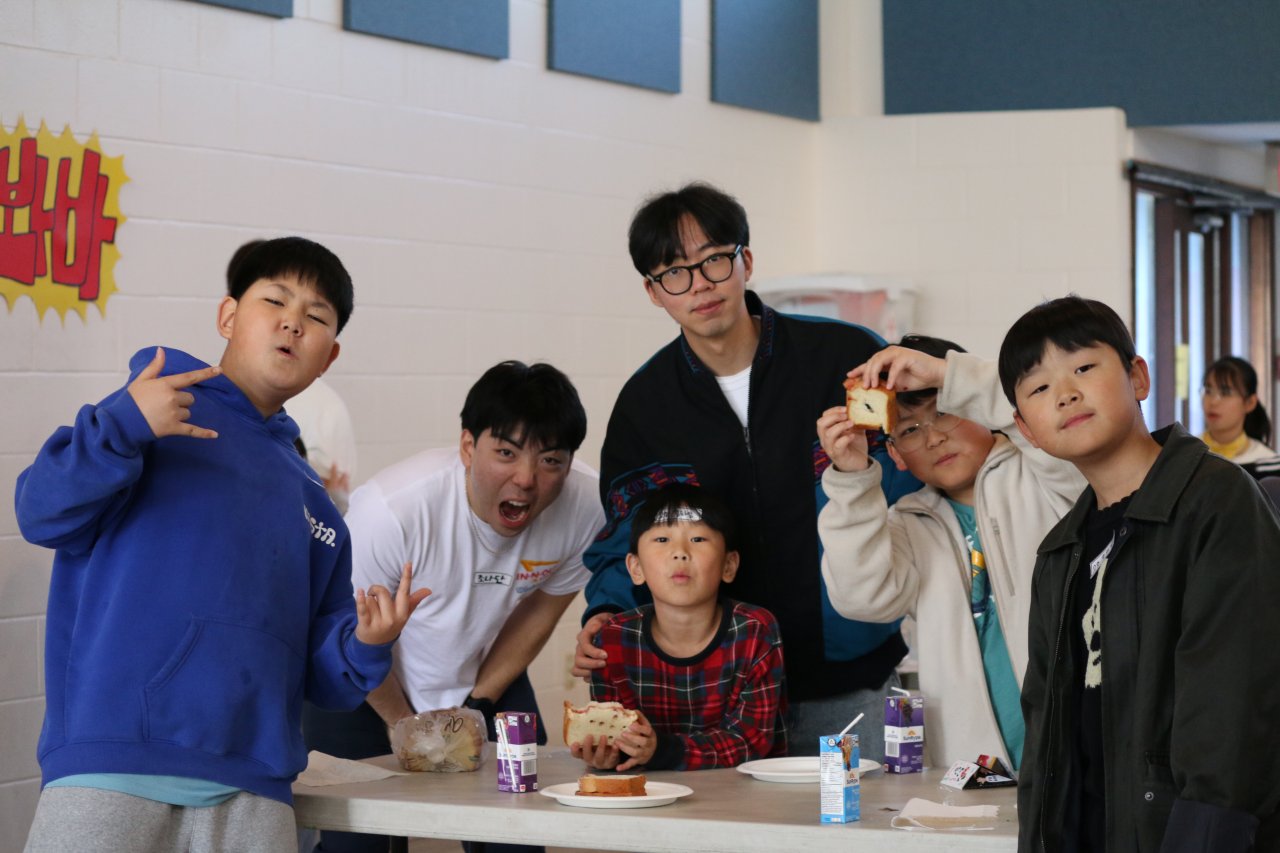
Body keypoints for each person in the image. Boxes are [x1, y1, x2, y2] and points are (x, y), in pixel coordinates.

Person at [16, 237, 428, 853]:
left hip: (253, 786)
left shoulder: (314, 503)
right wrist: (124, 424)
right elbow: (40, 513)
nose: (293, 322)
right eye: (275, 301)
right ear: (228, 317)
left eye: (316, 316)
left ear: (329, 356)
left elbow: (325, 677)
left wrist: (367, 644)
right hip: (114, 766)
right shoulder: (150, 414)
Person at [575, 183, 921, 759]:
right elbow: (628, 535)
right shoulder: (646, 405)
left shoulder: (844, 357)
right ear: (653, 291)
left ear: (746, 262)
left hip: (850, 679)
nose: (700, 284)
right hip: (713, 697)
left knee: (862, 817)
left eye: (714, 259)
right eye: (675, 272)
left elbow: (915, 487)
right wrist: (606, 610)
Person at [998, 296, 1280, 852]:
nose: (1065, 393)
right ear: (1026, 429)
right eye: (1039, 387)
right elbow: (1045, 735)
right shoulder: (1060, 551)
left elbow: (1233, 710)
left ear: (1138, 377)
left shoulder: (1216, 501)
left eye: (1084, 367)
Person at [303, 361, 603, 853]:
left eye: (551, 460)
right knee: (358, 845)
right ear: (467, 446)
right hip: (362, 674)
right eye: (506, 453)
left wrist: (478, 704)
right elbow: (346, 627)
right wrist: (405, 725)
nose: (526, 479)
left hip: (484, 665)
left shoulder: (587, 506)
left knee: (519, 831)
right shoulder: (393, 509)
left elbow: (541, 611)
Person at [815, 335, 1085, 772]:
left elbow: (1049, 418)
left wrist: (950, 374)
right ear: (896, 455)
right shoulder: (906, 525)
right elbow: (862, 599)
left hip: (1080, 753)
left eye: (945, 412)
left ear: (979, 408)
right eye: (909, 430)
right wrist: (852, 479)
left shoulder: (1048, 473)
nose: (935, 437)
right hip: (972, 767)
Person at [571, 483, 786, 772]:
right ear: (635, 568)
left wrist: (663, 750)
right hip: (651, 791)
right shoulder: (613, 639)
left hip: (745, 790)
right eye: (662, 539)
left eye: (698, 539)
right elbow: (615, 736)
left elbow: (751, 741)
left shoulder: (755, 630)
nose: (680, 553)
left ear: (729, 565)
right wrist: (610, 755)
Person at [1199, 355, 1278, 465]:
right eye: (1208, 391)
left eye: (1226, 393)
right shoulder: (1185, 454)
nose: (1213, 402)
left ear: (1250, 403)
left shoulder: (1268, 463)